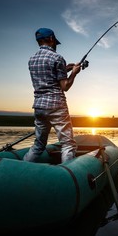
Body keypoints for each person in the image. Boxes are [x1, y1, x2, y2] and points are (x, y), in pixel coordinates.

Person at [24, 28, 81, 163]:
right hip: (56, 106)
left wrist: (64, 69)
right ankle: (67, 176)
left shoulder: (32, 60)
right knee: (68, 144)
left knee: (39, 145)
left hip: (39, 106)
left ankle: (22, 168)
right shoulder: (57, 58)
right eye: (55, 41)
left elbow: (47, 76)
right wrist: (74, 73)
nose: (55, 44)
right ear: (51, 39)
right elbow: (65, 86)